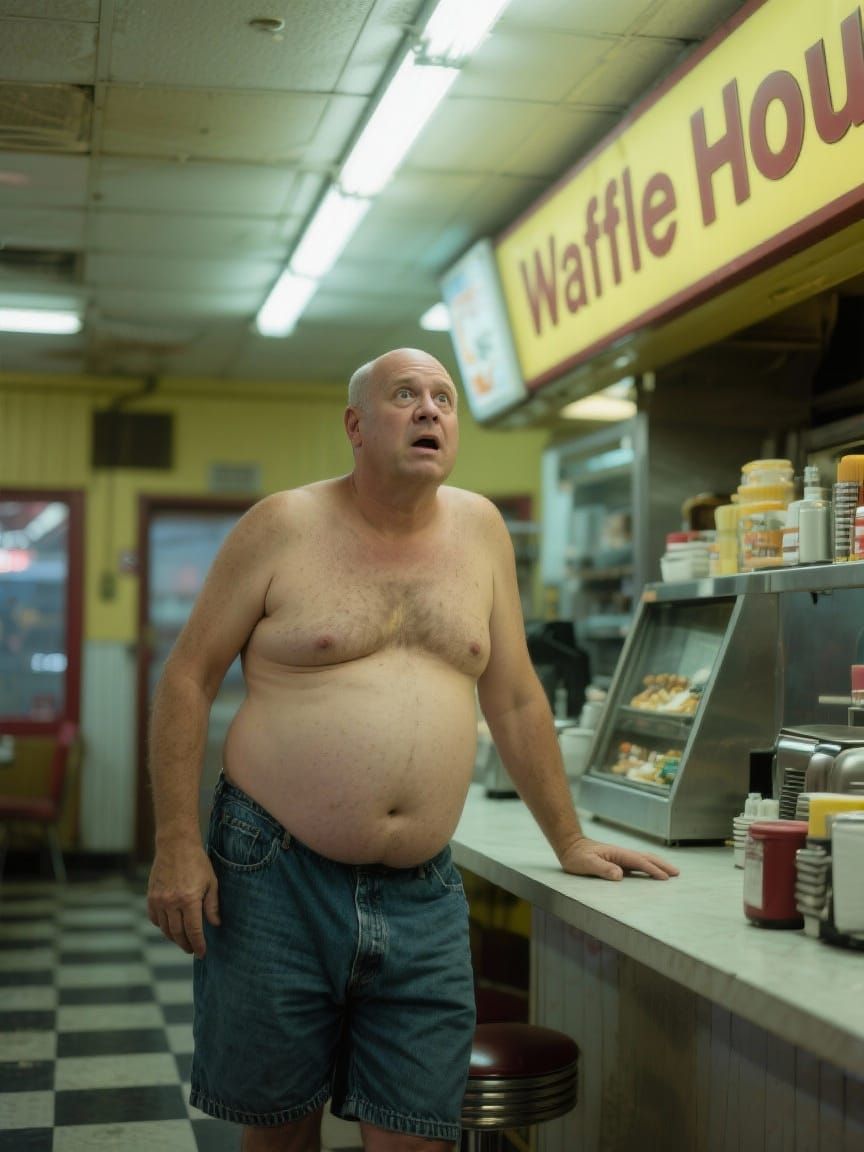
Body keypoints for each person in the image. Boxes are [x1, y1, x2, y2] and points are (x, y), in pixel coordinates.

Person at [146, 347, 679, 1152]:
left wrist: (567, 838)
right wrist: (177, 844)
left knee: (417, 1133)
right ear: (356, 426)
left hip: (423, 891)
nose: (430, 410)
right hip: (273, 875)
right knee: (281, 1132)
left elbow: (517, 695)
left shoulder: (481, 530)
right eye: (406, 395)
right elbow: (185, 678)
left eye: (444, 397)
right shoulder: (284, 525)